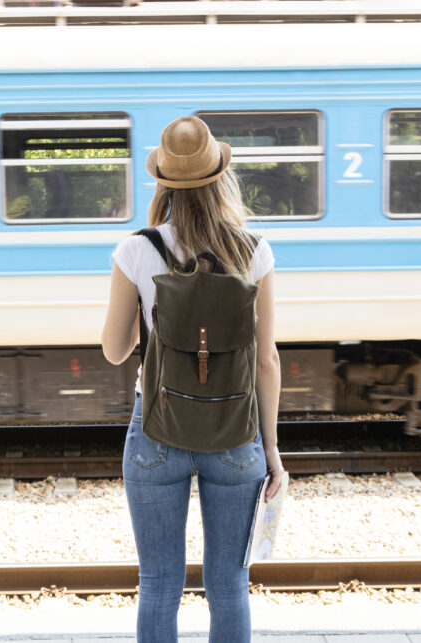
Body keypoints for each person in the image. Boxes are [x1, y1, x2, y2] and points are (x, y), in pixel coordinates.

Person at [101, 116, 285, 642]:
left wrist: (149, 309)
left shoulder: (136, 250)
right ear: (219, 178)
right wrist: (271, 453)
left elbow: (116, 352)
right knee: (230, 582)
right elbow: (266, 360)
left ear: (163, 183)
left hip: (156, 429)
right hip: (236, 432)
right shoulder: (253, 250)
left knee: (159, 581)